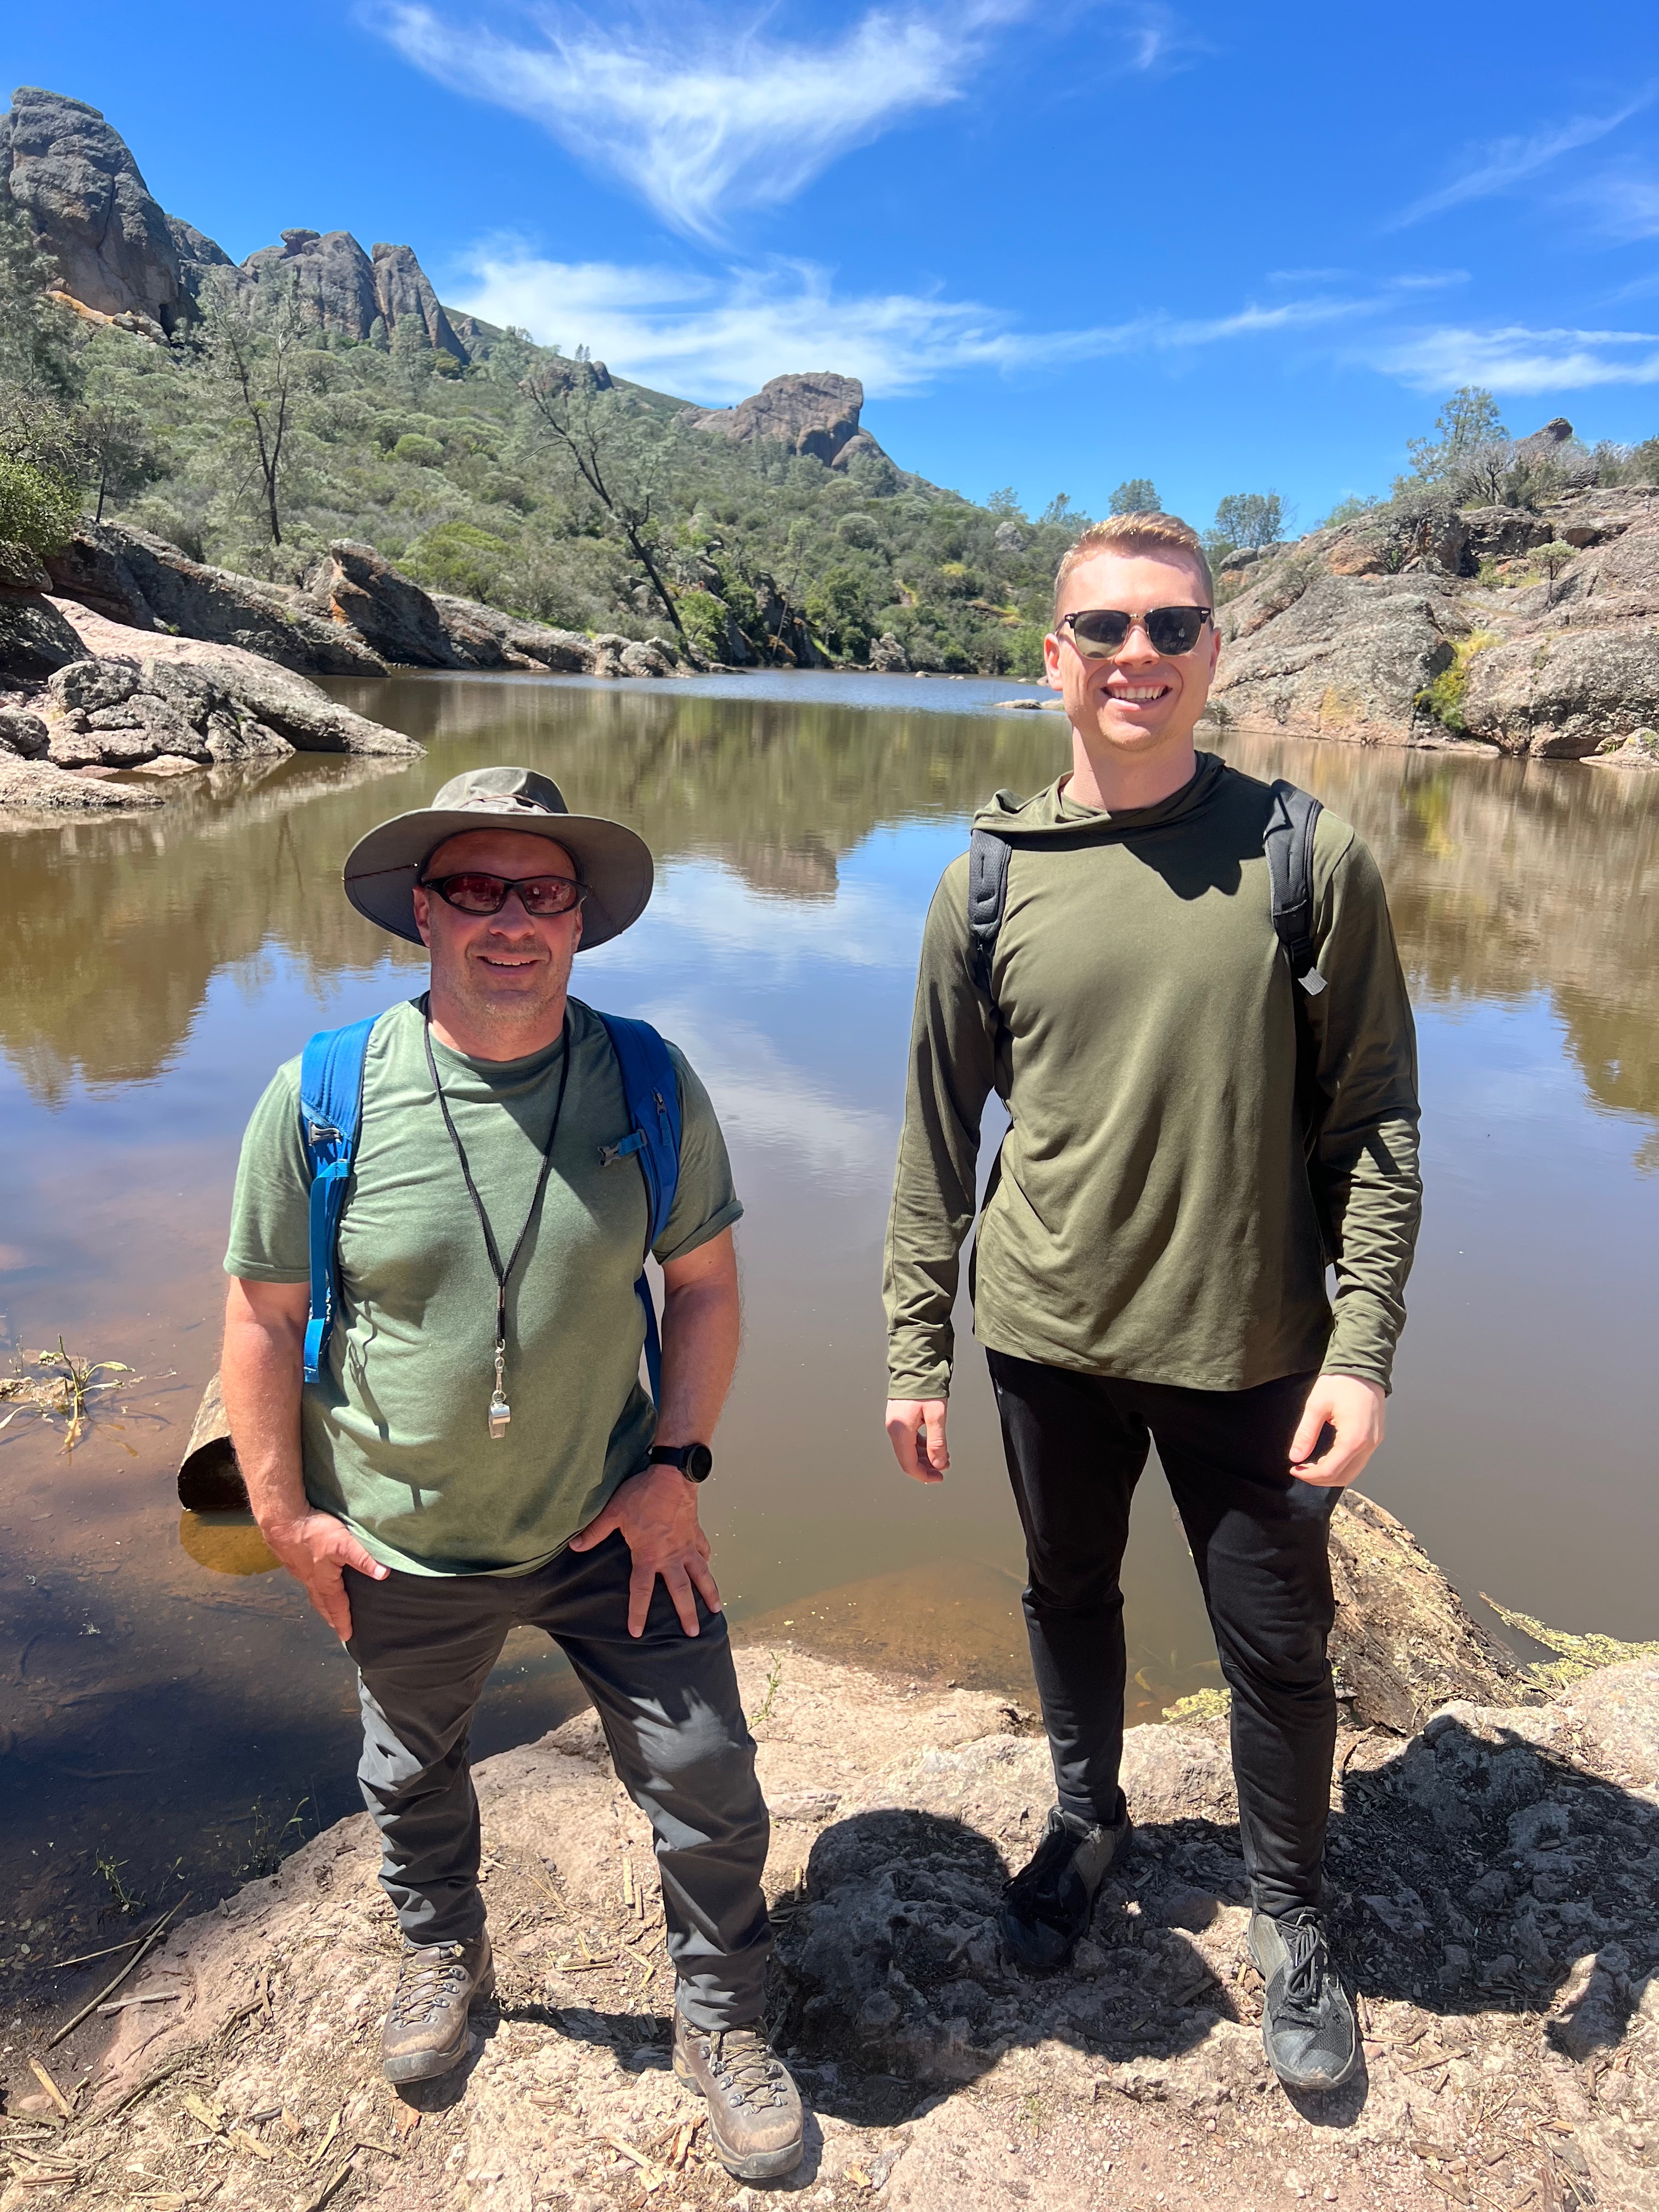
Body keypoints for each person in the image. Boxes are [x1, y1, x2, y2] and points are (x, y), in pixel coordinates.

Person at [882, 514, 1422, 2092]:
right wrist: (916, 1345)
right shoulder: (986, 881)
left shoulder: (1307, 858)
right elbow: (935, 1135)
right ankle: (1086, 1816)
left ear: (1214, 653)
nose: (1140, 655)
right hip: (1044, 1334)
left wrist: (1364, 1348)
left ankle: (1290, 1910)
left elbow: (1377, 1124)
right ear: (1054, 657)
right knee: (1067, 1590)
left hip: (1250, 1342)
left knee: (1281, 1644)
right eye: (1106, 628)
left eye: (1172, 627)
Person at [220, 765, 803, 2182]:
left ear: (580, 919)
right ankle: (444, 1955)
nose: (510, 921)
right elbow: (261, 1316)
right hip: (402, 1537)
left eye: (541, 892)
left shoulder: (648, 1080)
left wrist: (676, 1468)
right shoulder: (324, 1095)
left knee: (708, 1775)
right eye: (475, 888)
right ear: (422, 909)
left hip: (615, 1520)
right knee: (410, 1773)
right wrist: (286, 1517)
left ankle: (725, 2012)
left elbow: (706, 1289)